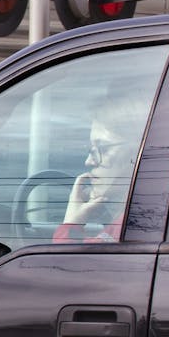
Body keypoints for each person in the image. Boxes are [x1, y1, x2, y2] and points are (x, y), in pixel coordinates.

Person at [54, 93, 149, 243]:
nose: (89, 161)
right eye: (91, 149)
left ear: (137, 151)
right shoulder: (142, 218)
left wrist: (71, 225)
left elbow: (65, 263)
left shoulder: (135, 227)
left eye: (103, 148)